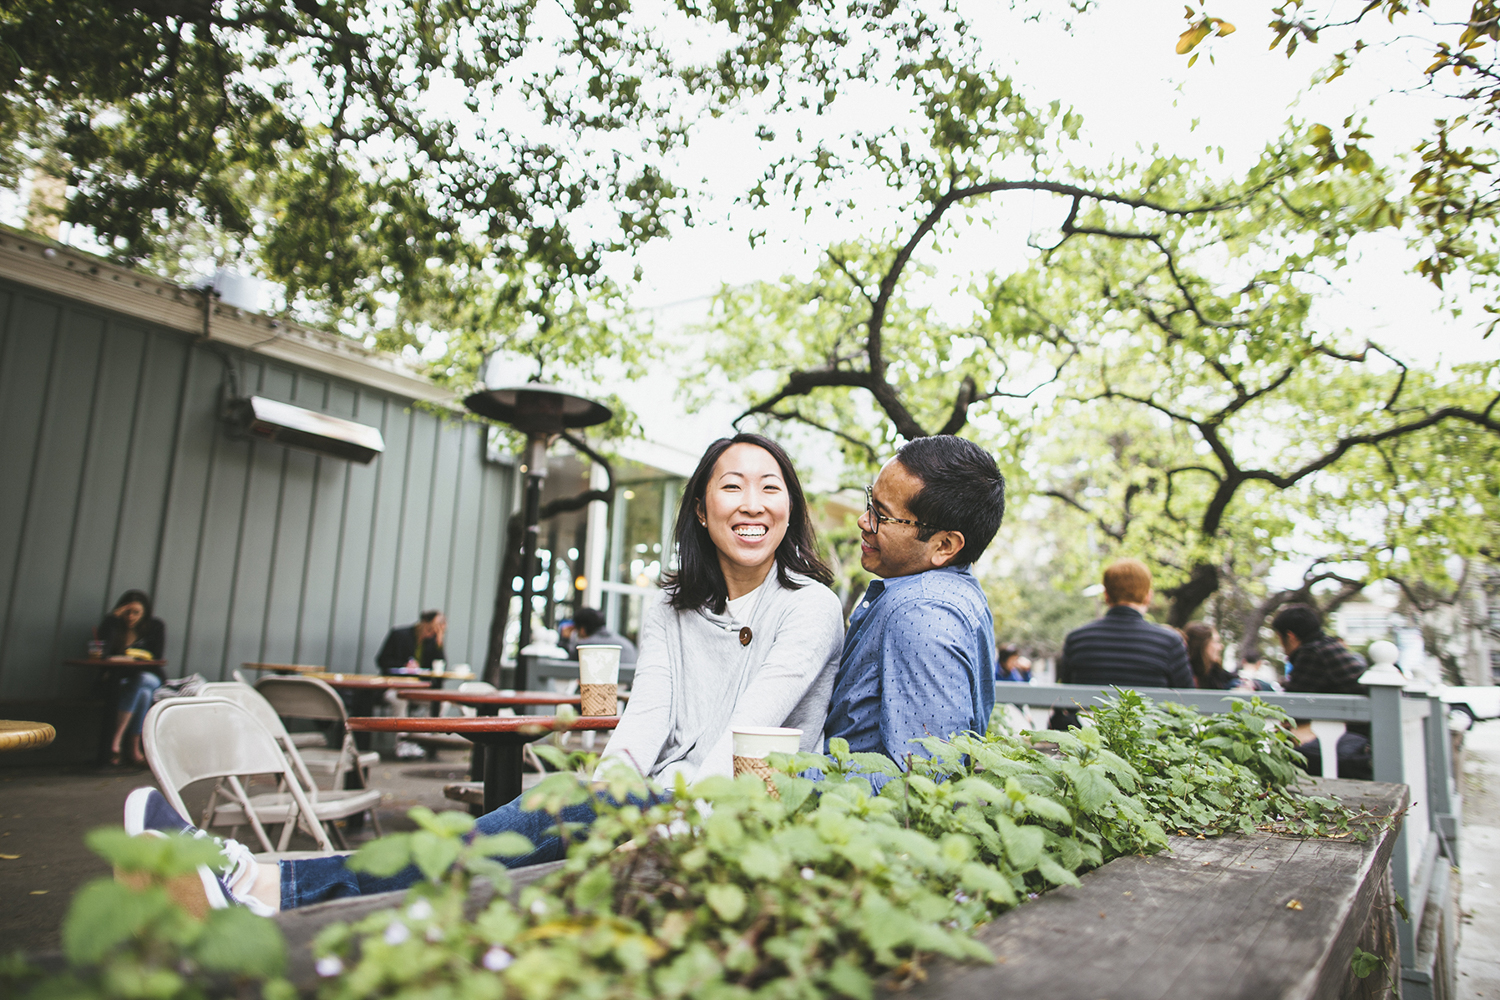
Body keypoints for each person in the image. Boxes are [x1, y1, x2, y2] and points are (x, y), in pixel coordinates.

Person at [148, 433, 846, 912]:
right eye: (733, 486)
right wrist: (609, 789)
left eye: (770, 488)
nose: (753, 504)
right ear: (701, 507)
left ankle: (266, 882)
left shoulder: (810, 607)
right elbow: (647, 715)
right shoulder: (670, 604)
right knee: (532, 822)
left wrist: (629, 808)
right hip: (653, 800)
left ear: (791, 506)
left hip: (740, 814)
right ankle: (265, 881)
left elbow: (745, 738)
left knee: (533, 819)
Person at [822, 435, 1004, 782]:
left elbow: (921, 784)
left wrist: (782, 778)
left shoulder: (922, 614)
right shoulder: (954, 591)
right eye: (870, 503)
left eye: (882, 515)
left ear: (945, 545)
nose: (864, 521)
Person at [1271, 603, 1372, 778]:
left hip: (1359, 741)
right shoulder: (1329, 646)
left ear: (1290, 636)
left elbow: (1292, 705)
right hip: (1365, 733)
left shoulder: (1312, 653)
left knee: (1281, 753)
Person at [1056, 560, 1192, 688]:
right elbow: (1189, 703)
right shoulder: (1169, 642)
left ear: (1106, 595)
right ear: (1148, 596)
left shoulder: (1076, 640)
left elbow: (1064, 700)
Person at [98, 589, 167, 765]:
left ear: (144, 613)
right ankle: (134, 750)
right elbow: (101, 649)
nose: (131, 617)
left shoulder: (155, 627)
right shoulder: (114, 627)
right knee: (143, 693)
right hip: (120, 679)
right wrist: (113, 618)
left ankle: (116, 740)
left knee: (142, 680)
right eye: (127, 612)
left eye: (136, 612)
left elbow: (157, 657)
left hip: (151, 677)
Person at [375, 610, 446, 674]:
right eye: (429, 629)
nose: (430, 634)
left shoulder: (432, 641)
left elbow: (440, 667)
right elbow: (383, 660)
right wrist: (404, 665)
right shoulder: (399, 635)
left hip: (421, 684)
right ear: (424, 622)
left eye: (435, 633)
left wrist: (439, 644)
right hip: (397, 681)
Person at [569, 607, 639, 664]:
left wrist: (565, 640)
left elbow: (569, 667)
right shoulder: (626, 644)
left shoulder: (584, 646)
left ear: (582, 629)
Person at [1183, 622, 1240, 690]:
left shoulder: (1219, 676)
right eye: (1216, 641)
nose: (1220, 647)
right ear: (1202, 645)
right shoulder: (1183, 676)